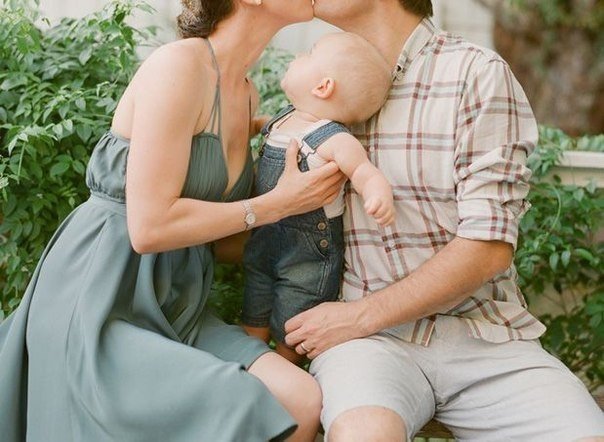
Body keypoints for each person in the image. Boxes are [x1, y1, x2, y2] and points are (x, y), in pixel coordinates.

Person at [0, 0, 345, 441]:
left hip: (177, 303)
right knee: (238, 400)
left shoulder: (246, 92)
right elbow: (148, 228)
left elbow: (225, 242)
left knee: (299, 400)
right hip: (102, 298)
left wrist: (320, 227)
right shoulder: (179, 66)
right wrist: (278, 205)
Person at [284, 1, 604, 440]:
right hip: (368, 349)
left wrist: (358, 317)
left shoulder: (475, 74)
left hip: (483, 337)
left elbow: (486, 246)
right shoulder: (321, 76)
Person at [242, 32, 394, 364]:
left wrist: (376, 191)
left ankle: (285, 365)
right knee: (256, 298)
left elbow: (362, 169)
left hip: (308, 255)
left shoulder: (332, 138)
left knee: (293, 321)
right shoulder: (285, 118)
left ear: (323, 87)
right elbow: (262, 127)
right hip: (264, 239)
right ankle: (251, 358)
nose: (298, 56)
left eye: (309, 54)